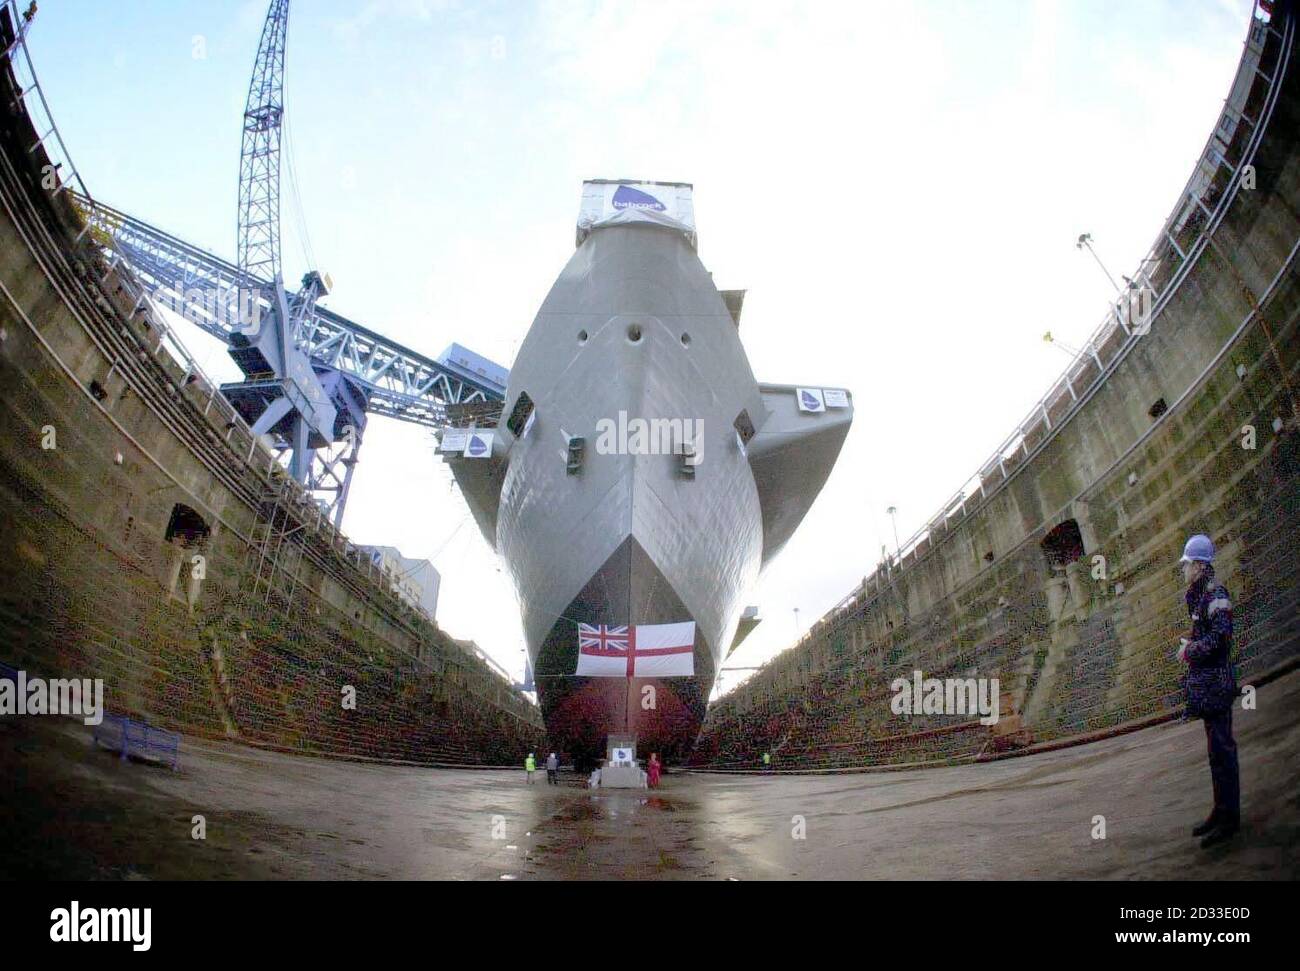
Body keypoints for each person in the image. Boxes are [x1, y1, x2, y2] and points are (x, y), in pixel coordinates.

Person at [1176, 534, 1240, 849]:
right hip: (1208, 686)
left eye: (1187, 564)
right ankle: (1220, 810)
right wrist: (1192, 644)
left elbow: (1221, 640)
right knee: (1216, 754)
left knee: (1224, 752)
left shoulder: (1216, 595)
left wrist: (1191, 651)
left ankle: (1230, 818)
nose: (1183, 570)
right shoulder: (1199, 596)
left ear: (1199, 566)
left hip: (1217, 684)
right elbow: (1207, 636)